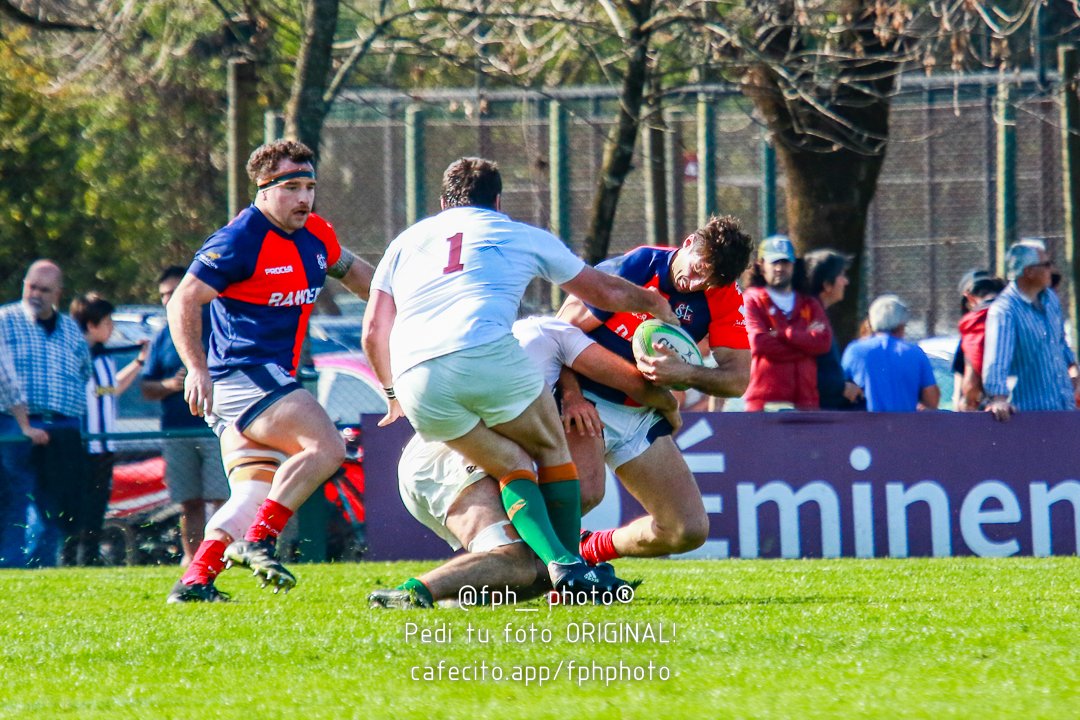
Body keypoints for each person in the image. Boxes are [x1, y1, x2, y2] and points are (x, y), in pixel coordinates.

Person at [362, 157, 678, 595]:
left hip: (416, 377)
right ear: (497, 200)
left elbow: (374, 330)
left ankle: (558, 566)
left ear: (441, 203)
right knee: (550, 448)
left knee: (510, 463)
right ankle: (570, 570)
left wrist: (393, 392)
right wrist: (654, 304)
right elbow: (605, 292)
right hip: (484, 351)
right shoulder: (517, 233)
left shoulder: (405, 241)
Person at [165, 139, 374, 603]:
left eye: (310, 186)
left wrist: (394, 304)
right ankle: (259, 541)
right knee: (327, 447)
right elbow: (184, 298)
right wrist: (195, 368)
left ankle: (195, 581)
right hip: (241, 375)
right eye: (292, 187)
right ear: (263, 188)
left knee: (252, 493)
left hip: (262, 380)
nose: (304, 198)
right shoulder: (239, 239)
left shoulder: (316, 233)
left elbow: (353, 271)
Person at [369, 316, 678, 608]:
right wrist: (671, 405)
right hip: (448, 458)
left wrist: (572, 394)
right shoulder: (550, 331)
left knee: (536, 572)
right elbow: (631, 383)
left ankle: (461, 594)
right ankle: (409, 594)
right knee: (517, 559)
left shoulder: (501, 338)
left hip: (444, 460)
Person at [556, 215, 754, 564]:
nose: (697, 283)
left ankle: (589, 552)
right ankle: (524, 562)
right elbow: (558, 334)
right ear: (690, 242)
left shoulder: (722, 294)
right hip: (587, 399)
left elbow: (737, 381)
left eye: (710, 280)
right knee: (584, 493)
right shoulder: (638, 266)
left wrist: (686, 372)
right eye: (699, 269)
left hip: (639, 412)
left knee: (686, 529)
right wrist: (570, 396)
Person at [0, 260, 90, 567]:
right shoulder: (5, 320)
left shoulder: (69, 329)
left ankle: (43, 566)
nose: (35, 294)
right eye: (31, 286)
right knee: (15, 497)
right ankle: (10, 564)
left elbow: (83, 370)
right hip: (14, 424)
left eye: (44, 289)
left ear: (58, 294)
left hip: (62, 425)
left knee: (55, 502)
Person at [141, 266, 229, 567]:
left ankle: (221, 559)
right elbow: (146, 387)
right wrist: (169, 385)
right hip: (176, 431)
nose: (168, 300)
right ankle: (194, 563)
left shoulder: (216, 326)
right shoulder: (162, 337)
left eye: (173, 292)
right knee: (189, 503)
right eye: (163, 295)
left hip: (215, 429)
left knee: (222, 499)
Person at [67, 292, 149, 565]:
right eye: (107, 321)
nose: (111, 327)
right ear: (91, 325)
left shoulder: (103, 358)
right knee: (77, 509)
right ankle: (70, 559)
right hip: (82, 447)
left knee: (97, 509)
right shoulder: (74, 356)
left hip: (104, 448)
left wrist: (138, 362)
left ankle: (88, 560)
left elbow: (109, 390)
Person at [982, 242, 1080, 421]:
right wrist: (998, 399)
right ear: (1029, 272)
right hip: (1028, 417)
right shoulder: (1005, 310)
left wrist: (1073, 367)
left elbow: (1059, 341)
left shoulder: (1050, 299)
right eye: (1046, 265)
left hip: (1063, 409)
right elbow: (997, 360)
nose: (1052, 270)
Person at [742, 236, 832, 411]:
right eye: (774, 262)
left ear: (794, 265)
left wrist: (783, 334)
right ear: (761, 266)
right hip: (764, 402)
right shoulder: (751, 300)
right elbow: (758, 343)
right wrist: (805, 346)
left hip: (806, 402)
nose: (779, 268)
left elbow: (824, 342)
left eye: (785, 262)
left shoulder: (809, 304)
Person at [0, 331, 50, 567]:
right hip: (6, 422)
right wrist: (24, 425)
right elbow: (6, 379)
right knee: (14, 496)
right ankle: (11, 560)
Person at [841, 294, 939, 412]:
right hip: (905, 427)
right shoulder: (915, 353)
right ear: (902, 324)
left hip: (864, 428)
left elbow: (840, 389)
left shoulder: (855, 351)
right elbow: (932, 400)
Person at [803, 249, 863, 410]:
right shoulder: (808, 318)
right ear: (827, 285)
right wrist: (842, 388)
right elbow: (803, 373)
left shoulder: (816, 313)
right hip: (814, 419)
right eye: (841, 275)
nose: (846, 281)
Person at [955, 272, 1005, 411]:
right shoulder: (1018, 314)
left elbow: (970, 385)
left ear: (969, 298)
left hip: (995, 409)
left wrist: (966, 402)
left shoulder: (975, 325)